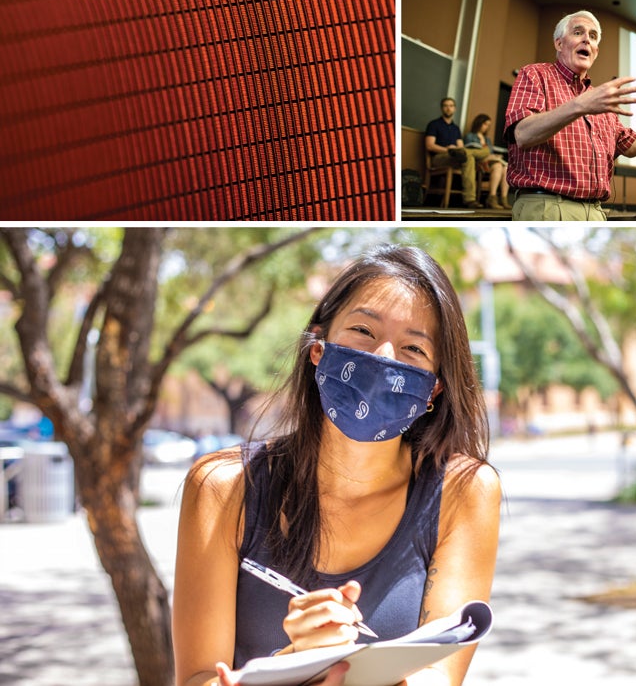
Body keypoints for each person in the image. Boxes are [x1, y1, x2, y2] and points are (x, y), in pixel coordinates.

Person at [173, 245, 502, 686]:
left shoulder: (465, 491)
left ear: (434, 391)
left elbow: (439, 676)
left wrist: (343, 665)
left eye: (413, 349)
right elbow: (196, 678)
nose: (384, 357)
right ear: (318, 349)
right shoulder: (222, 486)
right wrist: (295, 662)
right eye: (363, 330)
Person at [504, 10, 636, 221]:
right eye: (578, 33)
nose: (586, 40)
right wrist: (579, 106)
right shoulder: (536, 75)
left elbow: (631, 145)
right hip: (547, 208)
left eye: (593, 36)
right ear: (559, 43)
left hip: (596, 211)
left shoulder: (599, 100)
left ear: (596, 51)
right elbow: (523, 134)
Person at [425, 98, 489, 209]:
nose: (448, 108)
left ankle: (470, 200)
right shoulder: (434, 124)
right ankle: (470, 200)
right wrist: (448, 150)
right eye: (445, 105)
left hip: (457, 156)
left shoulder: (456, 128)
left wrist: (457, 150)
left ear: (454, 108)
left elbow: (461, 147)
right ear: (442, 108)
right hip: (439, 157)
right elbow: (430, 146)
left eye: (451, 106)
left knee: (468, 156)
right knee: (472, 155)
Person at [465, 114, 512, 210]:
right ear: (479, 123)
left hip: (489, 162)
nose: (487, 127)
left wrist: (494, 156)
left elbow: (490, 152)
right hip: (477, 163)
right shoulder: (470, 136)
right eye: (485, 124)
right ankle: (492, 197)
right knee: (498, 166)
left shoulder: (487, 139)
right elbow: (471, 152)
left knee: (506, 168)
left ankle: (503, 198)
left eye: (488, 125)